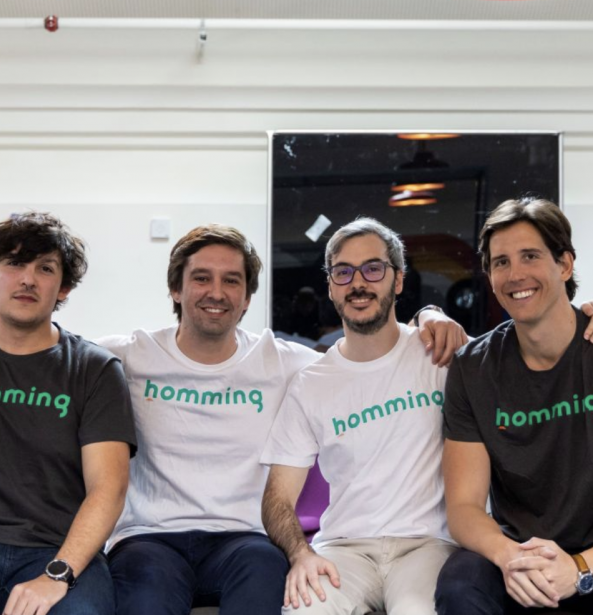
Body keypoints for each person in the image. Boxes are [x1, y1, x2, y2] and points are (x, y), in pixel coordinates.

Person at [101, 223, 465, 615]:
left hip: (244, 540)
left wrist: (430, 315)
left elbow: (367, 357)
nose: (216, 292)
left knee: (264, 583)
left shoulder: (287, 363)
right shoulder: (127, 356)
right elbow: (60, 351)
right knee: (145, 601)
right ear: (176, 288)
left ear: (247, 297)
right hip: (150, 537)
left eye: (231, 280)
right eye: (201, 278)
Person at [260, 217, 458, 615]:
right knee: (302, 611)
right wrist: (300, 554)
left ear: (398, 280)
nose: (358, 283)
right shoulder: (311, 383)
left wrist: (431, 313)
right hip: (343, 549)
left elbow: (515, 350)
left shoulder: (439, 355)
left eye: (373, 269)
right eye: (343, 272)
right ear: (330, 286)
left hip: (427, 545)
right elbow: (277, 498)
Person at [0, 212, 137, 615]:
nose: (28, 279)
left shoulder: (94, 369)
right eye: (15, 263)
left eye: (45, 268)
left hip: (58, 549)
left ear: (63, 288)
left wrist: (56, 575)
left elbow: (108, 489)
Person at [435, 197, 593, 615]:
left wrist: (581, 568)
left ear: (564, 265)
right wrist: (510, 558)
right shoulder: (473, 368)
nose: (515, 274)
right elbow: (464, 507)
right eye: (501, 262)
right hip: (520, 555)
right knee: (460, 584)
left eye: (530, 256)